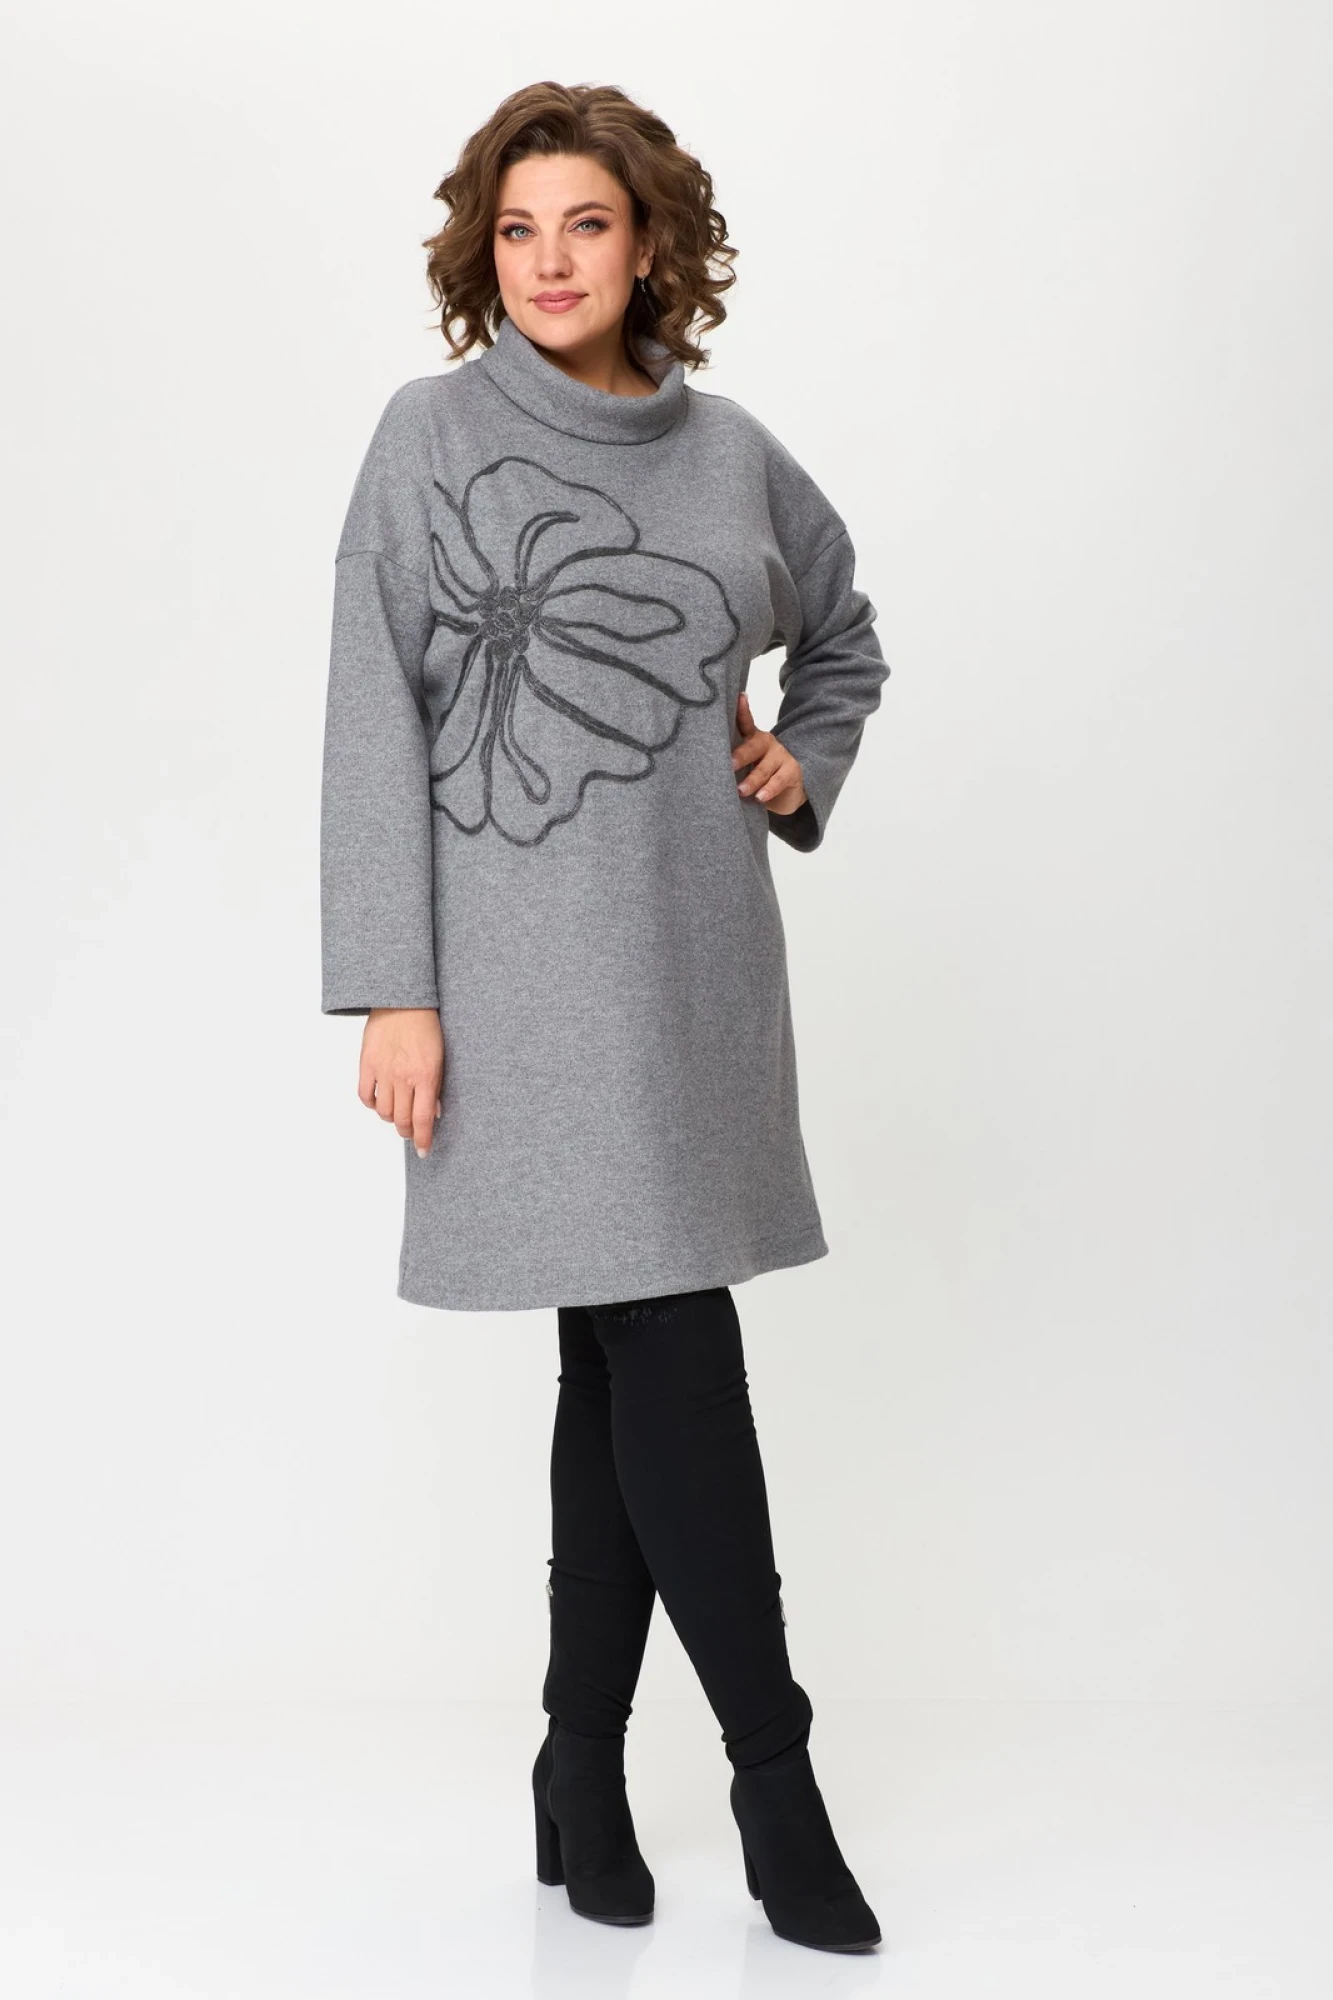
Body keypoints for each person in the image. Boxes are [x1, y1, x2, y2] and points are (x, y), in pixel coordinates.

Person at [319, 80, 890, 1955]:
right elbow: (370, 721)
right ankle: (776, 1786)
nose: (548, 262)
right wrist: (395, 986)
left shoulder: (729, 455)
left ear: (650, 245)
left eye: (584, 224)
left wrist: (798, 764)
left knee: (621, 1364)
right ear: (481, 252)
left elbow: (844, 632)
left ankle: (577, 1769)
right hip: (515, 992)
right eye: (516, 230)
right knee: (668, 1343)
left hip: (695, 976)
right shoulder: (428, 437)